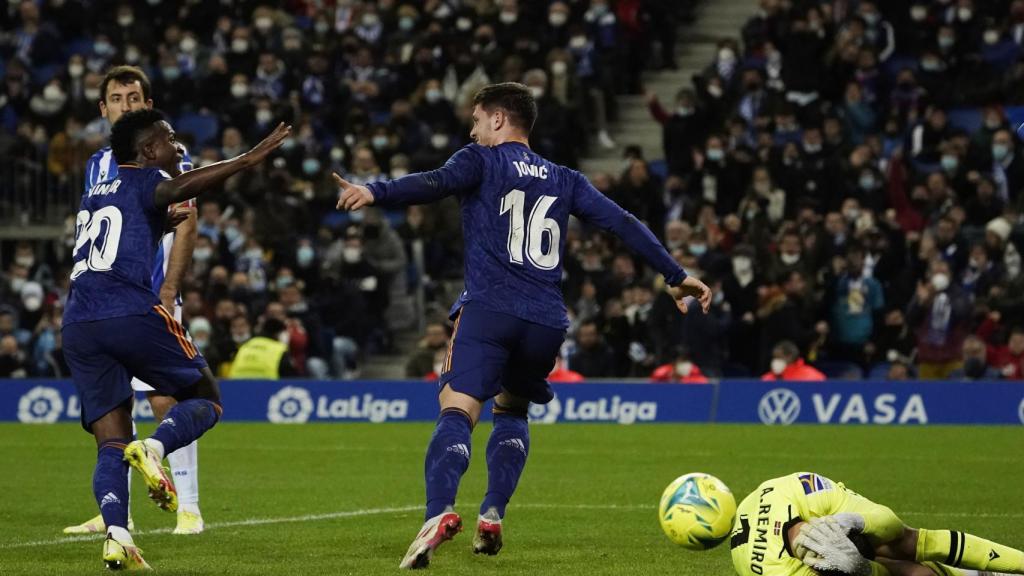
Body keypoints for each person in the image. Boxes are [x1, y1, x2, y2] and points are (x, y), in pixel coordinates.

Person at [334, 82, 711, 570]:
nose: (471, 129)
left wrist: (374, 190)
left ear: (497, 119)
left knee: (457, 410)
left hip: (490, 309)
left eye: (475, 119)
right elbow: (623, 222)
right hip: (546, 322)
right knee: (511, 412)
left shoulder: (480, 160)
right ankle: (492, 513)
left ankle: (437, 513)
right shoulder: (564, 177)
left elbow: (433, 184)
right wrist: (675, 275)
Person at [61, 108, 288, 569]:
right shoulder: (145, 179)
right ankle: (155, 448)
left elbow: (118, 236)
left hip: (78, 323)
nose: (177, 146)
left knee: (110, 440)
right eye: (168, 139)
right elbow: (185, 186)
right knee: (206, 397)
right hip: (128, 311)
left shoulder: (94, 193)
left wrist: (157, 226)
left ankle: (119, 535)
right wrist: (248, 158)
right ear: (147, 151)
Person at [65, 65, 204, 536]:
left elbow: (186, 219)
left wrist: (168, 290)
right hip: (104, 300)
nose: (127, 104)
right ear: (103, 109)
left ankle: (189, 507)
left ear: (147, 104)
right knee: (113, 408)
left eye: (134, 97)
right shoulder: (97, 164)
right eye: (117, 98)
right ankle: (117, 513)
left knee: (166, 398)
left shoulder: (163, 154)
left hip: (150, 295)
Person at [731, 472, 1024, 576]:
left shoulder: (805, 490)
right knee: (905, 571)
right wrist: (863, 570)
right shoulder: (778, 571)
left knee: (905, 540)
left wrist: (855, 520)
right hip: (796, 560)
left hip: (822, 510)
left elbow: (889, 522)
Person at [227, 318, 295, 379]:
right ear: (278, 334)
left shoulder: (246, 345)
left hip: (236, 386)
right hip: (267, 387)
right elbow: (290, 376)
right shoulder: (279, 349)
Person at [761, 340, 826, 381]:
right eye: (774, 358)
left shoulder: (813, 377)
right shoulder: (767, 379)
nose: (775, 361)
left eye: (779, 357)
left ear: (790, 357)